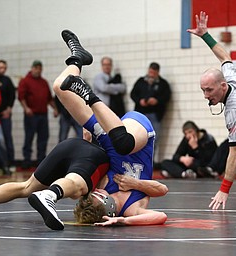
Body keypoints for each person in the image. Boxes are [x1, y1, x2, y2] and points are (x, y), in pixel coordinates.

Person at [28, 29, 168, 229]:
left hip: (108, 138)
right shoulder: (132, 208)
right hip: (136, 136)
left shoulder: (100, 189)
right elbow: (161, 199)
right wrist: (130, 201)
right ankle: (89, 96)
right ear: (108, 206)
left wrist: (88, 144)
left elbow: (93, 162)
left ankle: (77, 58)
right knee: (124, 143)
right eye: (98, 196)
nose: (96, 191)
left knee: (60, 87)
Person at [0, 133, 167, 230]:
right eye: (98, 196)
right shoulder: (125, 204)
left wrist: (122, 220)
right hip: (87, 155)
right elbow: (161, 201)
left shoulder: (111, 196)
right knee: (77, 188)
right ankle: (49, 195)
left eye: (96, 195)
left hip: (71, 147)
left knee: (27, 187)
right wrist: (136, 186)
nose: (100, 193)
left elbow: (160, 213)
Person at [187, 11, 236, 210]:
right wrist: (205, 35)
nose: (206, 95)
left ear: (222, 87)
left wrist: (224, 189)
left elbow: (235, 154)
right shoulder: (230, 77)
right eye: (203, 90)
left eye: (209, 90)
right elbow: (224, 55)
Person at [18, 60, 56, 168]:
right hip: (31, 115)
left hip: (43, 115)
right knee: (29, 138)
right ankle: (26, 161)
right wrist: (26, 108)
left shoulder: (44, 82)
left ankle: (41, 161)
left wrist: (55, 109)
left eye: (40, 69)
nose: (38, 71)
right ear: (32, 68)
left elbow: (49, 98)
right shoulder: (25, 81)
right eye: (36, 68)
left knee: (43, 138)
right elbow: (21, 97)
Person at [130, 62, 171, 161]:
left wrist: (157, 101)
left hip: (155, 114)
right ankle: (137, 160)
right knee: (138, 137)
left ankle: (150, 161)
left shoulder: (163, 84)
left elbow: (166, 97)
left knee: (153, 139)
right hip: (141, 114)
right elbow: (133, 94)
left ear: (157, 72)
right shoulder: (141, 81)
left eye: (153, 73)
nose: (151, 74)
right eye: (150, 72)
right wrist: (140, 101)